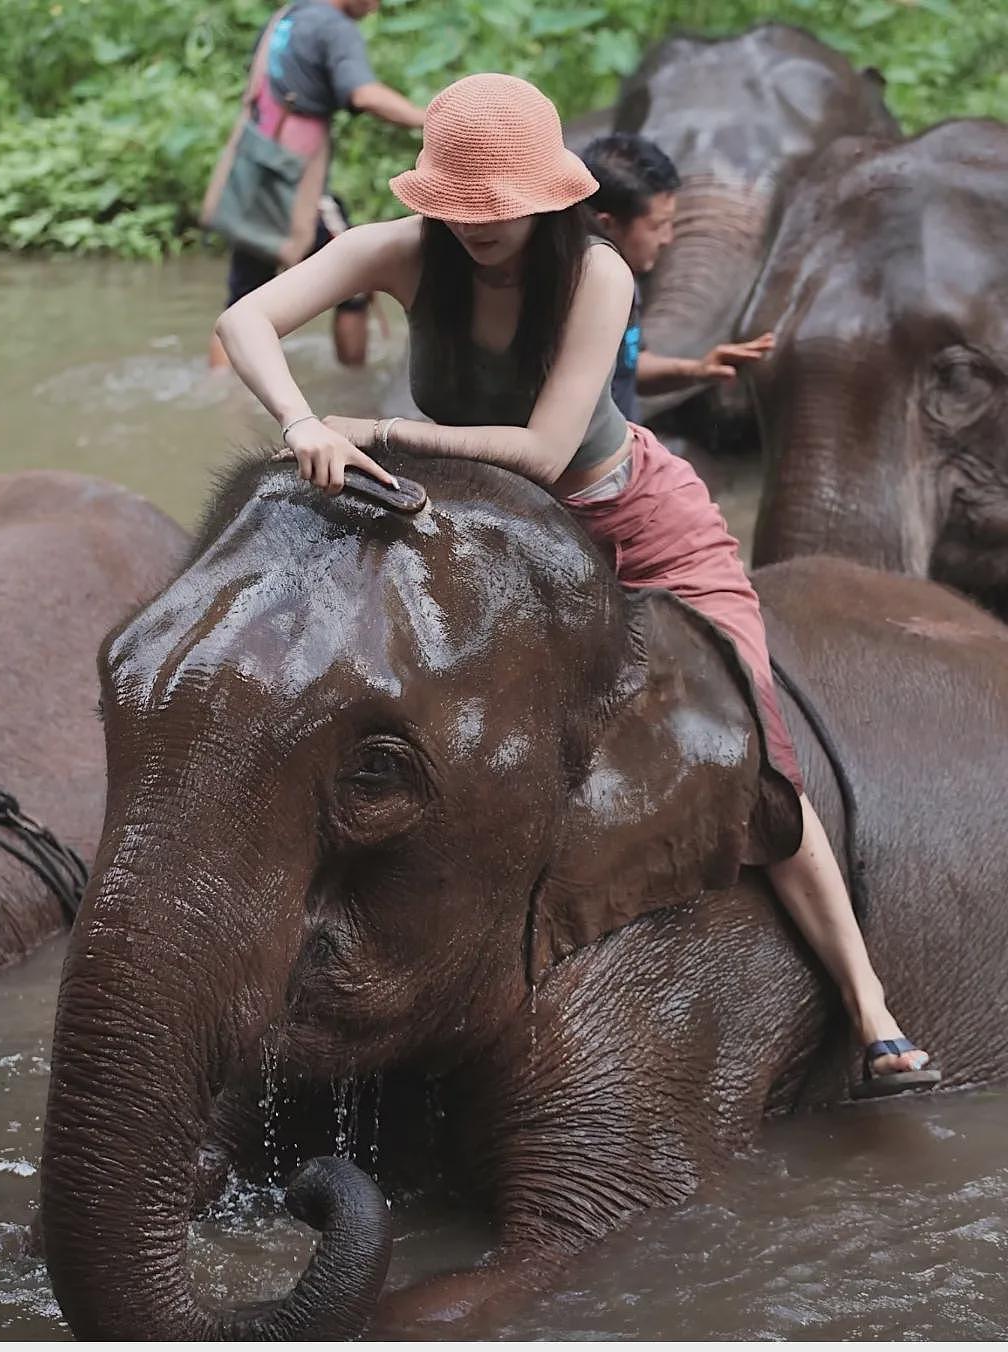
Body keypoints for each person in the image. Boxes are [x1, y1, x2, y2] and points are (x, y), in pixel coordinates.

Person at [215, 73, 940, 1096]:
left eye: (500, 210)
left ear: (552, 198)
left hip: (630, 524)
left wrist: (370, 431)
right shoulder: (402, 251)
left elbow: (551, 450)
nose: (479, 229)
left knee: (754, 751)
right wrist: (298, 424)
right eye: (460, 210)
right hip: (483, 529)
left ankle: (871, 1008)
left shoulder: (596, 273)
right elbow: (249, 319)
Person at [207, 0, 424, 369]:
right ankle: (356, 390)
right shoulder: (334, 27)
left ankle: (221, 393)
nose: (377, 6)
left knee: (242, 299)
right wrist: (430, 119)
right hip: (293, 186)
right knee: (358, 277)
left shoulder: (286, 18)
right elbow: (364, 94)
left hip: (256, 175)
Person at [580, 132, 774, 421]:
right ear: (605, 225)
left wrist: (697, 370)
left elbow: (627, 368)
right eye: (657, 226)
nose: (668, 239)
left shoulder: (622, 278)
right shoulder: (568, 298)